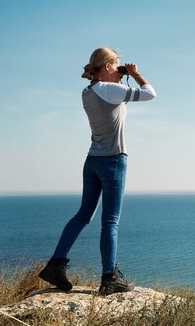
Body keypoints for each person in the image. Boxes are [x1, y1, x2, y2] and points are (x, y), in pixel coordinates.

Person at [38, 46, 156, 295]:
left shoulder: (87, 91)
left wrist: (120, 77)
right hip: (113, 160)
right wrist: (136, 74)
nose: (120, 71)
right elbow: (150, 94)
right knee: (110, 221)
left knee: (83, 215)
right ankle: (109, 277)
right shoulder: (111, 90)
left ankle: (55, 266)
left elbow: (112, 100)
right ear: (108, 66)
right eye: (117, 66)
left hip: (92, 160)